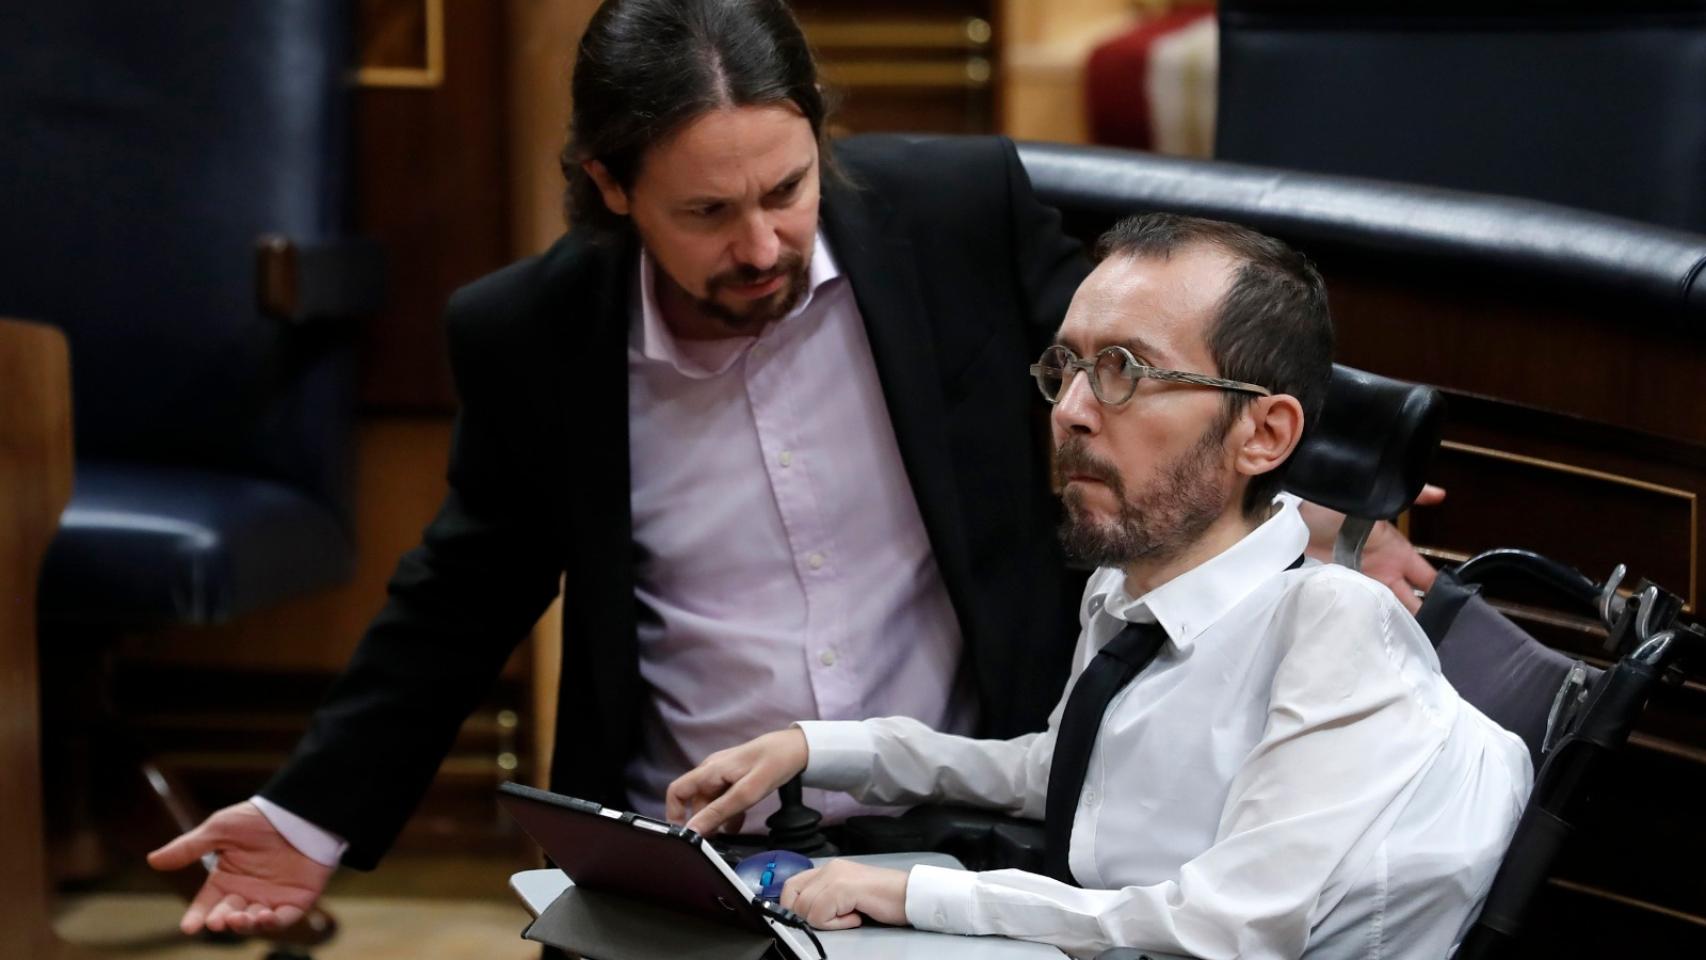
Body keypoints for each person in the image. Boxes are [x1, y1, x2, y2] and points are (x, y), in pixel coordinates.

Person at [147, 0, 1446, 938]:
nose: (762, 243)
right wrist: (312, 817)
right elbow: (459, 594)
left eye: (787, 187)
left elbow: (1163, 361)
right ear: (612, 188)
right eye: (707, 214)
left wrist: (1344, 507)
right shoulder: (531, 333)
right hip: (690, 847)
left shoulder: (950, 218)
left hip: (970, 825)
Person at [667, 214, 1533, 960]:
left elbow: (1227, 931)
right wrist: (819, 748)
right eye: (1067, 366)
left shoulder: (1334, 626)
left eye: (1124, 370)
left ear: (1263, 434)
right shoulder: (1127, 591)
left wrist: (915, 897)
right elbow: (1073, 772)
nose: (1072, 409)